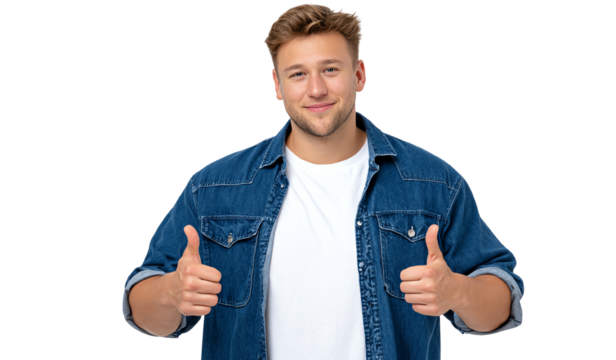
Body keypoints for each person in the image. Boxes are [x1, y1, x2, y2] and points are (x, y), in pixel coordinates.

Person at [122, 2, 524, 358]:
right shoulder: (213, 187)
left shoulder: (433, 181)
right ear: (278, 86)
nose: (316, 89)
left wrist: (460, 293)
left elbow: (499, 308)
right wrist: (169, 293)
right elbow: (147, 314)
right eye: (297, 74)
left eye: (330, 69)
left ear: (359, 75)